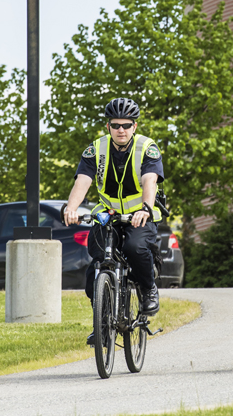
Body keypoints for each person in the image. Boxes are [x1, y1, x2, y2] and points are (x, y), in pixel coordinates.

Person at [64, 97, 164, 344]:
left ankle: (148, 289)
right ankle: (103, 325)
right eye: (115, 124)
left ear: (134, 127)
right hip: (108, 215)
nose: (121, 129)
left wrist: (146, 208)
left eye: (126, 125)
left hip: (139, 215)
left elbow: (150, 180)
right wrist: (71, 208)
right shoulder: (95, 149)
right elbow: (83, 181)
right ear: (107, 126)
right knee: (96, 268)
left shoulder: (146, 147)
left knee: (135, 247)